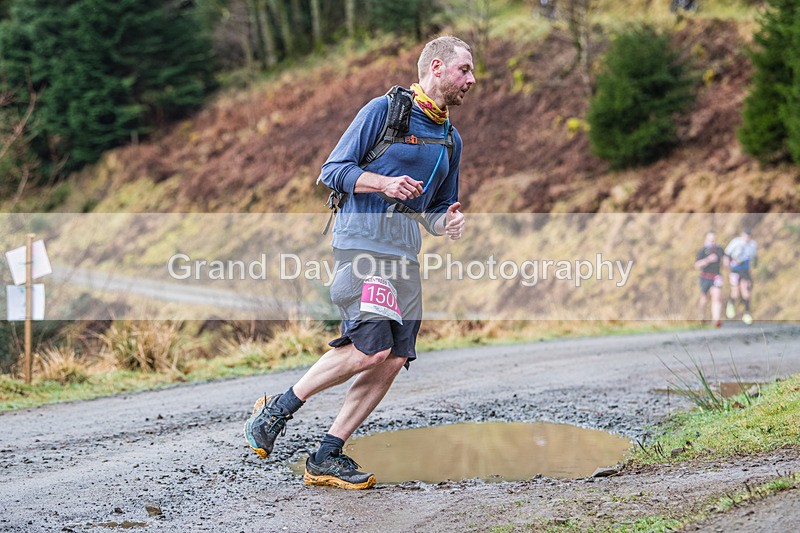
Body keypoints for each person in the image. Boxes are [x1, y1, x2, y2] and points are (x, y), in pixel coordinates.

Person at [244, 36, 474, 489]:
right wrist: (383, 185)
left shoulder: (451, 138)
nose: (472, 79)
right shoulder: (384, 112)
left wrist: (445, 222)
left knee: (394, 357)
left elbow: (436, 207)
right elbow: (332, 170)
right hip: (363, 246)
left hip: (404, 255)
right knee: (371, 346)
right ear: (437, 67)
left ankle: (327, 454)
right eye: (464, 69)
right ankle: (276, 412)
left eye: (472, 71)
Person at [724, 228, 757, 325]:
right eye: (746, 236)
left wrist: (754, 263)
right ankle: (730, 304)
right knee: (735, 292)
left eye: (749, 237)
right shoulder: (735, 242)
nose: (747, 238)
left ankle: (747, 313)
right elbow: (727, 253)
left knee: (746, 293)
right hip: (735, 270)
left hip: (745, 271)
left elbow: (754, 257)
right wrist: (728, 262)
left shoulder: (752, 244)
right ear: (742, 235)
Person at [694, 231, 723, 327]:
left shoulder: (719, 250)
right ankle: (701, 316)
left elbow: (725, 260)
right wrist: (707, 260)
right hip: (705, 277)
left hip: (716, 276)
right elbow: (697, 265)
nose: (712, 242)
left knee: (716, 296)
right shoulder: (702, 251)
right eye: (710, 240)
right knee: (704, 299)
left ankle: (716, 319)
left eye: (714, 240)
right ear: (706, 240)